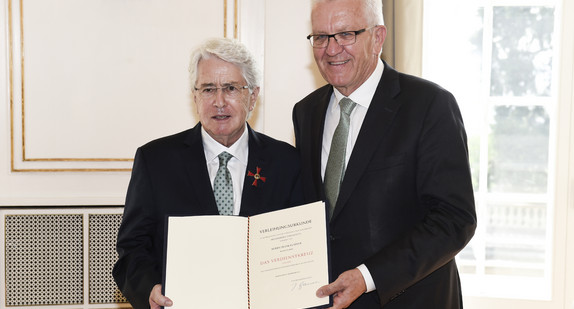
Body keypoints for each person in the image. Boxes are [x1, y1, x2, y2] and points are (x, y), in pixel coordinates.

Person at [292, 0, 477, 308]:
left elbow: (454, 219)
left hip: (411, 299)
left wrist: (368, 276)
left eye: (346, 34)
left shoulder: (429, 105)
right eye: (321, 37)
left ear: (378, 37)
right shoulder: (306, 112)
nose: (332, 49)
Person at [113, 37, 303, 309]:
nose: (219, 101)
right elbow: (132, 248)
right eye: (208, 89)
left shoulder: (287, 162)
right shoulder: (156, 161)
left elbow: (298, 250)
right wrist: (149, 289)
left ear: (253, 96)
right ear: (195, 97)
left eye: (231, 88)